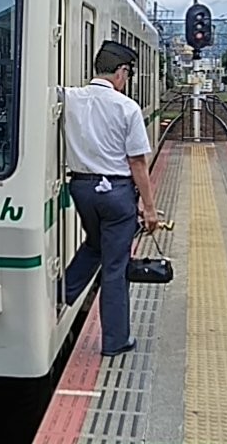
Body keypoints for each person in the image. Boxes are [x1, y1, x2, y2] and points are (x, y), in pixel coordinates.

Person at [59, 40, 159, 357]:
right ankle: (116, 341)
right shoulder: (126, 107)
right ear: (121, 72)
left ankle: (61, 295)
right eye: (127, 74)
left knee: (95, 244)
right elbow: (137, 162)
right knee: (115, 267)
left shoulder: (69, 97)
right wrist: (149, 208)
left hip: (82, 189)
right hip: (116, 194)